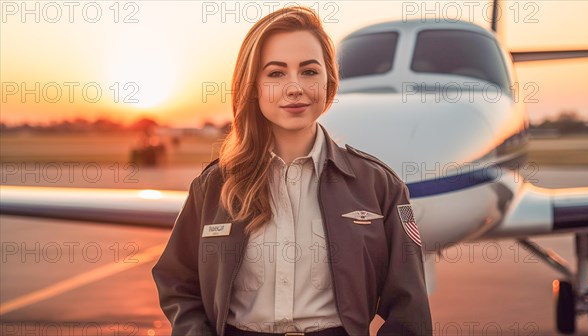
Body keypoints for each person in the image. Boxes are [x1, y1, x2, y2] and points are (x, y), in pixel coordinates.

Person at [152, 5, 432, 336]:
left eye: (309, 71)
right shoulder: (213, 186)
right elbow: (177, 283)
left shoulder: (380, 186)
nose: (294, 87)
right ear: (253, 85)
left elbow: (410, 308)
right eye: (276, 73)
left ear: (329, 79)